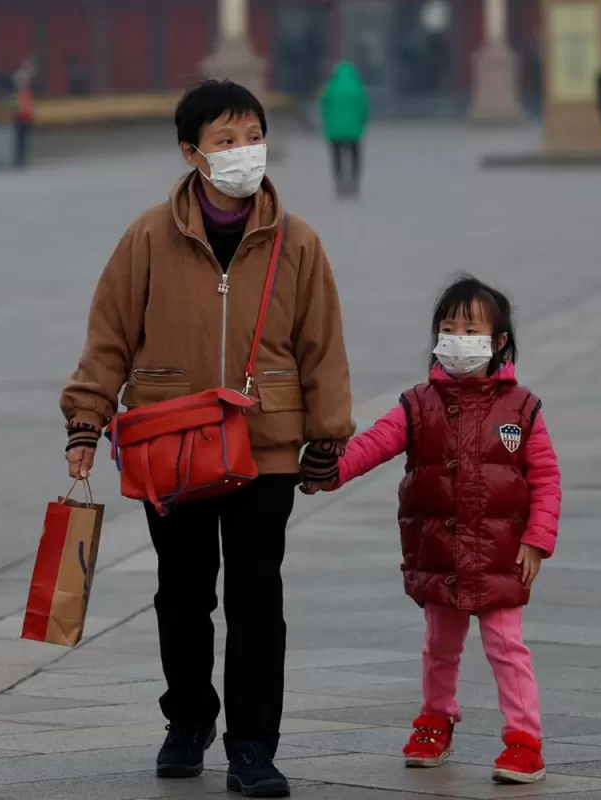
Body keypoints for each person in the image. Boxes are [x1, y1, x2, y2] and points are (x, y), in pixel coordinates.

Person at [60, 79, 354, 798]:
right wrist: (85, 422)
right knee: (182, 594)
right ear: (191, 152)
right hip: (174, 444)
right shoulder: (148, 237)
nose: (242, 153)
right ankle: (187, 718)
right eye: (224, 141)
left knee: (258, 597)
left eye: (251, 136)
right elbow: (109, 337)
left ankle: (253, 745)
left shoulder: (299, 242)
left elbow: (323, 347)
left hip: (267, 445)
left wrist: (328, 437)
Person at [305, 276, 561, 786]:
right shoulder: (418, 404)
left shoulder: (523, 409)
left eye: (470, 329)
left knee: (507, 647)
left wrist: (537, 540)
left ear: (499, 342)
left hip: (502, 555)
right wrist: (330, 472)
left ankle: (524, 738)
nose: (457, 338)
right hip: (440, 551)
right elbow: (375, 443)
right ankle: (434, 719)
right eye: (448, 328)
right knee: (439, 645)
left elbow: (546, 478)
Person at [319, 62, 369, 197]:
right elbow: (363, 108)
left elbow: (325, 107)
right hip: (354, 130)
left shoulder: (331, 87)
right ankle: (354, 182)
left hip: (335, 130)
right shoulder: (357, 87)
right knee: (354, 156)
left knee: (337, 157)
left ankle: (339, 182)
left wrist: (326, 125)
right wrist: (363, 122)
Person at [13, 71, 36, 168]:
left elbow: (27, 106)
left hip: (24, 118)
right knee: (19, 140)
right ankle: (20, 159)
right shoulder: (19, 93)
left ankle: (22, 160)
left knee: (23, 140)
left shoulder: (25, 93)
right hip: (19, 118)